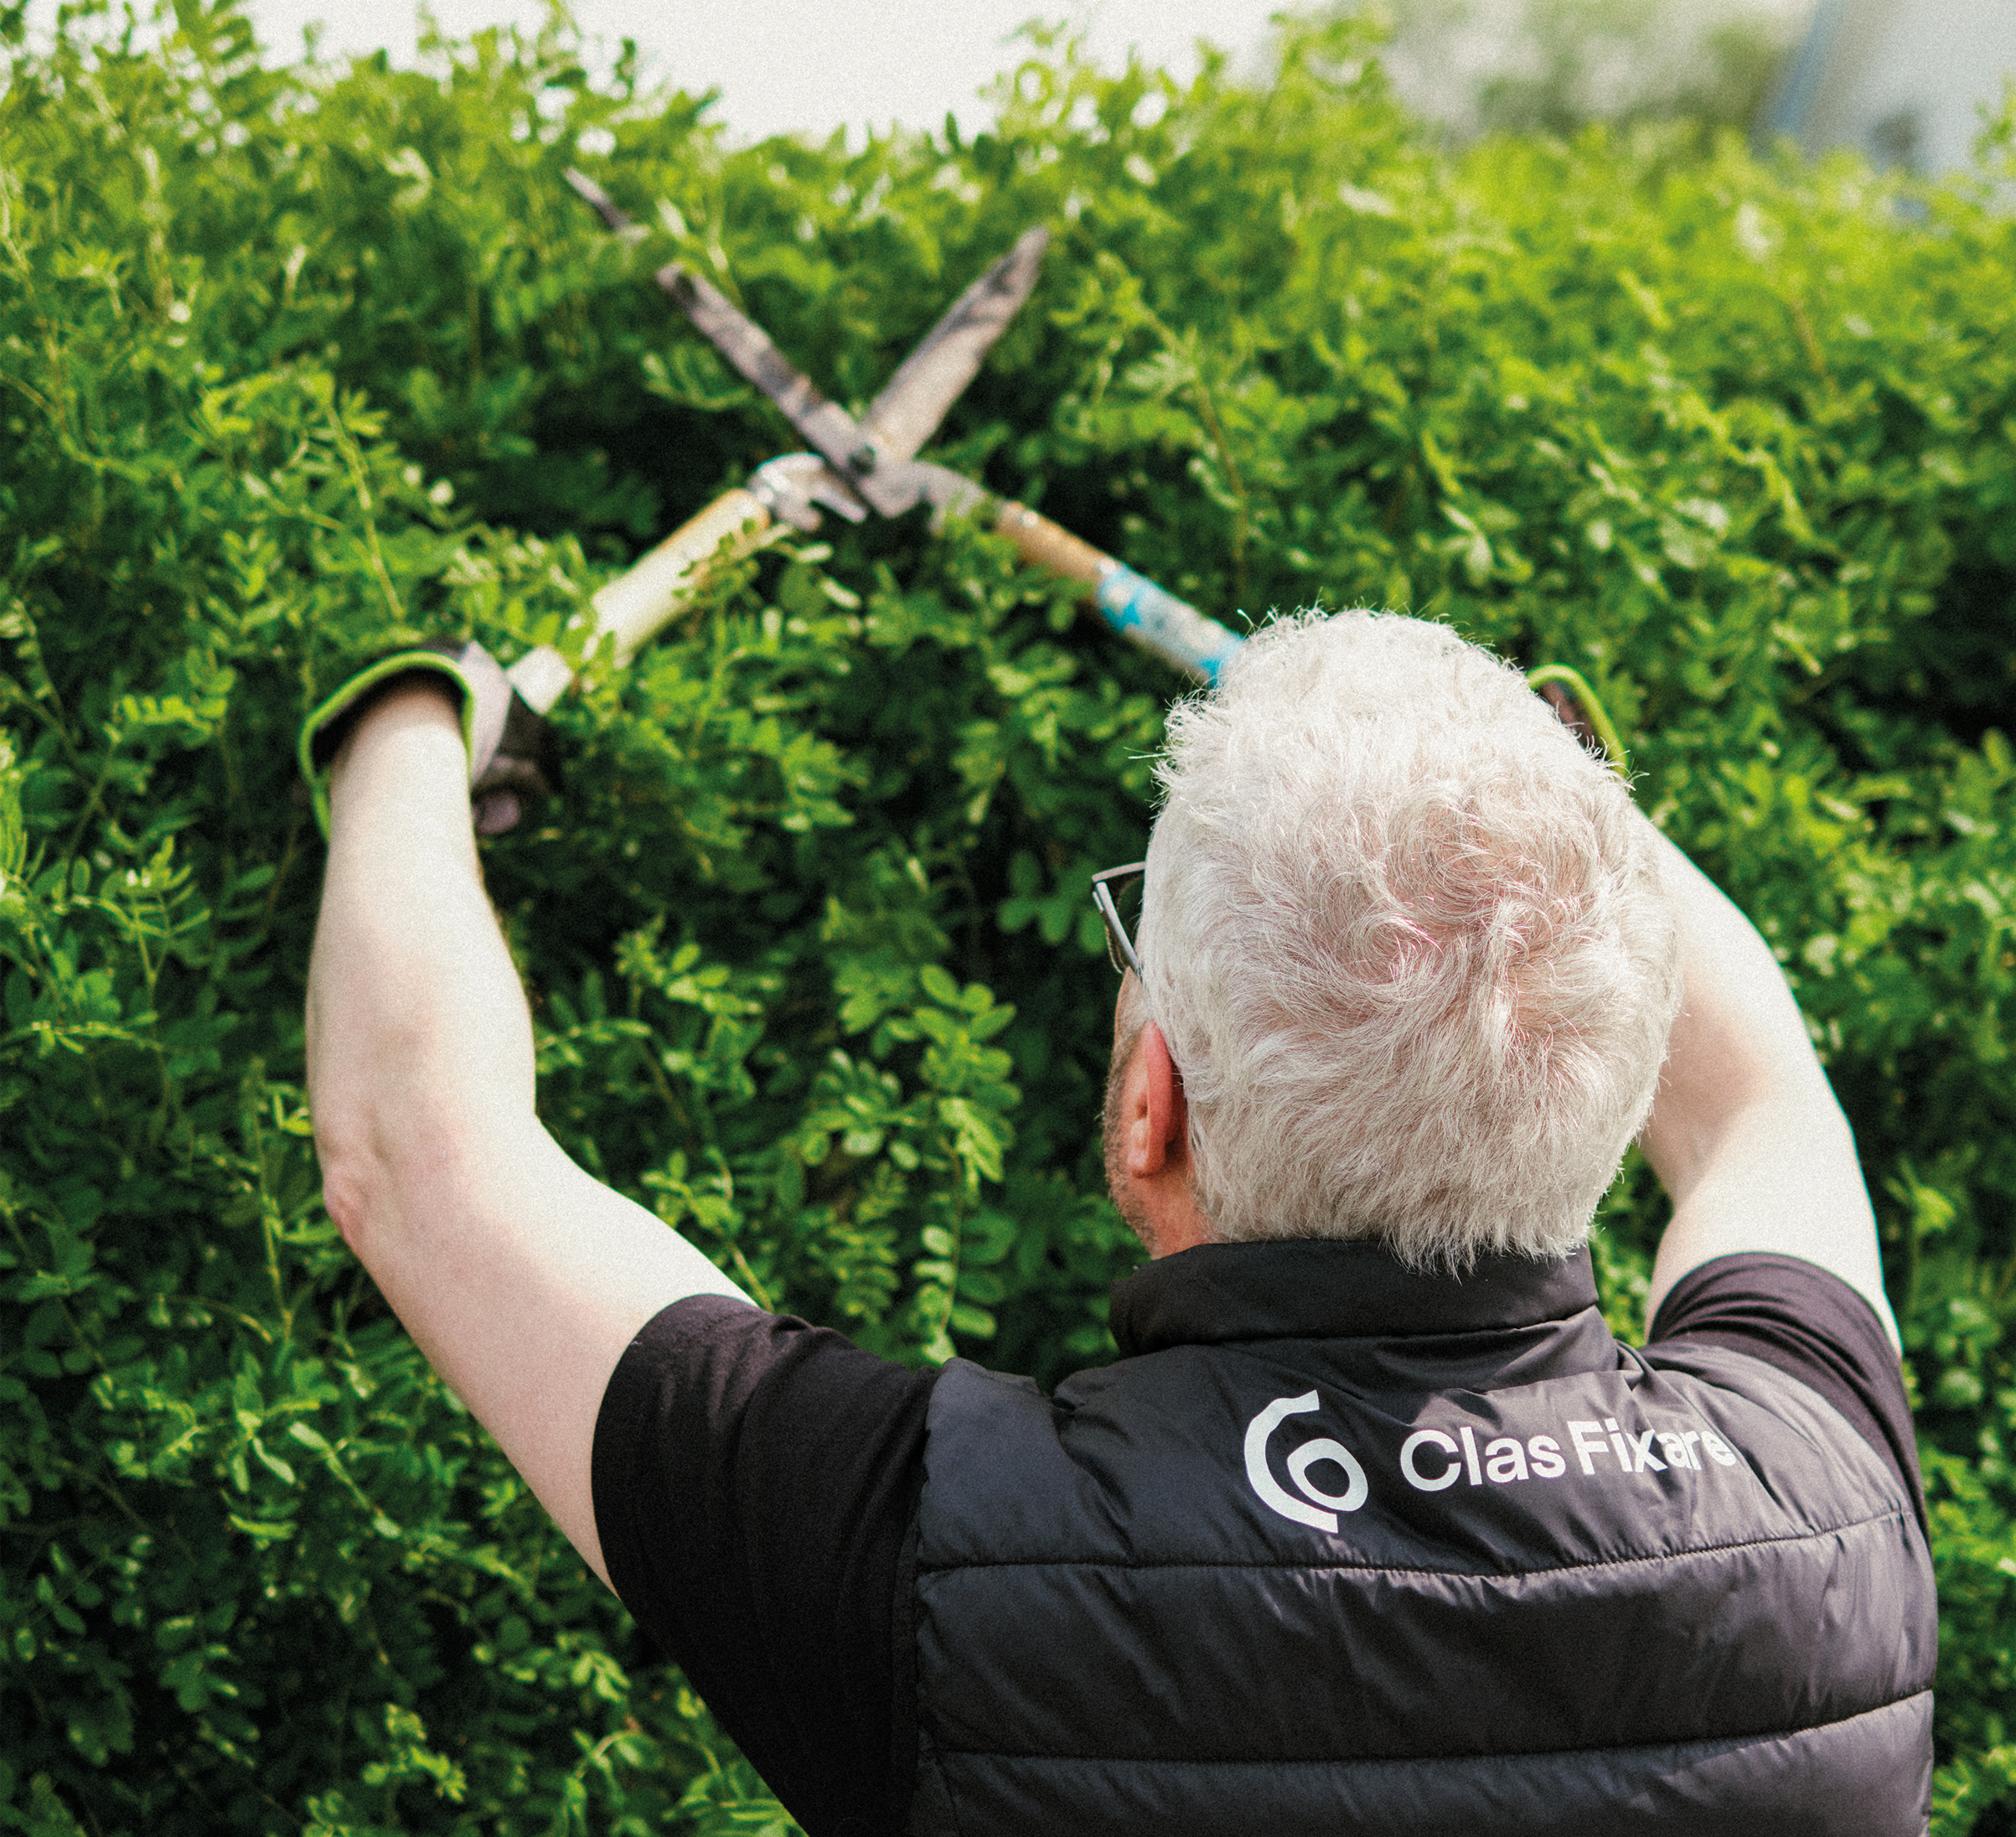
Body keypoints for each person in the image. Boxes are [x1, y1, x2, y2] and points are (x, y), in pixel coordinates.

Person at [304, 608, 1936, 1837]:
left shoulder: (942, 1564)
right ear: (1607, 1085)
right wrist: (1526, 781)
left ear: (1152, 1102)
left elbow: (420, 1150)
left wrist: (410, 724)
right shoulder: (1820, 1493)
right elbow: (1762, 1100)